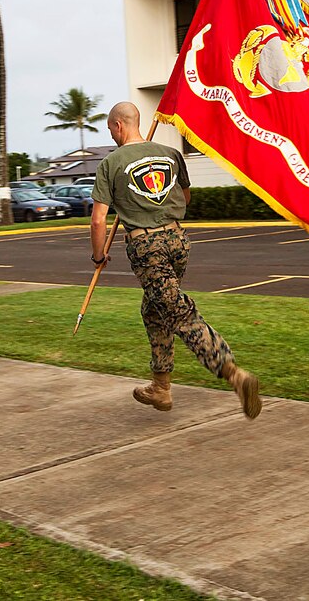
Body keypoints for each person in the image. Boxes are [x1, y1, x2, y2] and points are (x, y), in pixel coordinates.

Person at [89, 102, 261, 419]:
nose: (112, 134)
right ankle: (161, 387)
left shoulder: (111, 163)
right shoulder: (170, 154)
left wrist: (99, 255)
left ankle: (235, 375)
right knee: (154, 310)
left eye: (110, 130)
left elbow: (99, 220)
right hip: (178, 241)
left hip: (147, 247)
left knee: (179, 313)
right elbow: (185, 198)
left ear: (117, 126)